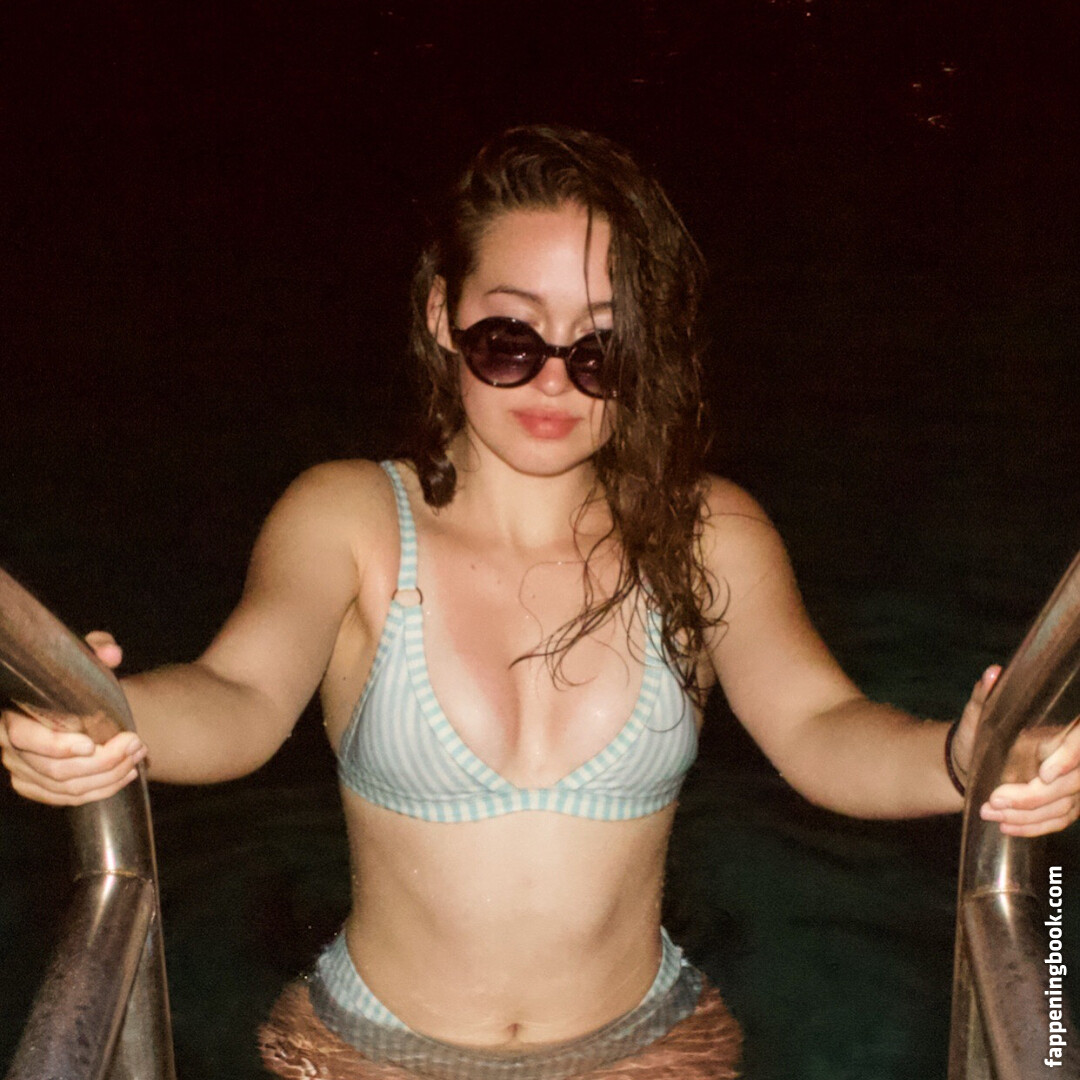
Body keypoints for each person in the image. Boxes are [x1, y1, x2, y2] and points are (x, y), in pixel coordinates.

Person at [2, 125, 1078, 1080]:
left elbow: (820, 727)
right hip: (367, 1054)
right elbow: (238, 696)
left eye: (600, 345)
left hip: (649, 1049)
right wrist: (111, 716)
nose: (555, 380)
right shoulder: (348, 518)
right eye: (510, 338)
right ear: (442, 316)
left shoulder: (707, 531)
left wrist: (963, 756)